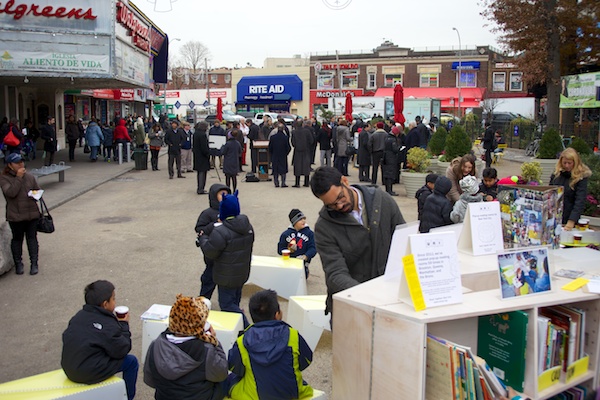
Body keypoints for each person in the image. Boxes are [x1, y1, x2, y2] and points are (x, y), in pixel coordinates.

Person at [310, 166, 406, 317]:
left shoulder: (382, 201)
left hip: (390, 300)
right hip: (351, 307)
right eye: (332, 205)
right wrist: (366, 297)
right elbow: (336, 274)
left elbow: (404, 242)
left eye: (340, 198)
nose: (339, 206)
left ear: (345, 181)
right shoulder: (324, 227)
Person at [225, 289, 313, 400]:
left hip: (254, 396)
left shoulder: (242, 341)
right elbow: (306, 360)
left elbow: (234, 367)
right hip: (291, 394)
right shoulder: (292, 335)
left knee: (230, 380)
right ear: (277, 314)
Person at [61, 280, 138, 400]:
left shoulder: (78, 317)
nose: (115, 302)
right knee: (131, 362)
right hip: (86, 372)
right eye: (113, 299)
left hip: (69, 368)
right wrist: (124, 325)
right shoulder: (107, 325)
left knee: (102, 348)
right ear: (105, 304)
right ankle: (128, 397)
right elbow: (123, 349)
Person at [143, 294, 228, 400]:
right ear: (199, 326)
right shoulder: (206, 350)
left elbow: (149, 380)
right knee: (225, 381)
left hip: (164, 397)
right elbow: (222, 373)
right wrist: (214, 341)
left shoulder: (155, 345)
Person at [197, 191, 254, 327]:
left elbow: (210, 251)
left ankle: (247, 328)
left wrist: (203, 238)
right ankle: (238, 328)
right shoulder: (247, 227)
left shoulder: (221, 231)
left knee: (228, 305)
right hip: (241, 273)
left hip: (225, 276)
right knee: (235, 301)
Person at [0, 153, 41, 275]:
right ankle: (18, 263)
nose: (20, 164)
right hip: (16, 215)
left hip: (31, 213)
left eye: (21, 162)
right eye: (17, 163)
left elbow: (37, 190)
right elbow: (11, 193)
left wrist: (36, 194)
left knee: (32, 238)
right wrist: (18, 178)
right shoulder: (4, 178)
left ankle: (34, 263)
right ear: (10, 165)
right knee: (17, 239)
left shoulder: (29, 176)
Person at [195, 183, 231, 298]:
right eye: (222, 194)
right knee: (209, 278)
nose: (225, 196)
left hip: (227, 251)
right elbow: (200, 229)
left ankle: (228, 302)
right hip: (213, 251)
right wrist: (215, 224)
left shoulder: (230, 210)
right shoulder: (207, 213)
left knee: (226, 281)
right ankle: (203, 300)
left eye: (227, 194)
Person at [549, 147, 592, 230]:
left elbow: (580, 200)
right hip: (554, 216)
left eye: (569, 163)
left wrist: (571, 221)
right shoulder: (556, 175)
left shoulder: (581, 177)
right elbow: (550, 194)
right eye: (564, 163)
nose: (567, 166)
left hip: (570, 218)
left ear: (575, 163)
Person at [278, 209, 317, 278]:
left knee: (301, 278)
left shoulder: (310, 233)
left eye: (304, 218)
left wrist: (306, 256)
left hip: (303, 262)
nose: (303, 221)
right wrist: (288, 250)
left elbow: (313, 248)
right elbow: (280, 249)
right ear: (294, 222)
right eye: (300, 219)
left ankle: (306, 270)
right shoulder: (286, 234)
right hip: (289, 261)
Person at [291, 120, 314, 187]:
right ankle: (306, 182)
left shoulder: (294, 132)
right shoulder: (307, 131)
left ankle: (297, 183)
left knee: (297, 166)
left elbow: (293, 142)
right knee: (306, 166)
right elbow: (311, 140)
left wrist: (296, 146)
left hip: (297, 150)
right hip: (306, 150)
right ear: (302, 124)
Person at [269, 122, 291, 188]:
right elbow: (288, 147)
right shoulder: (285, 138)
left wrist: (272, 153)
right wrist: (286, 153)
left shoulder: (273, 137)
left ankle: (276, 183)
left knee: (275, 169)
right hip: (283, 155)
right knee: (283, 169)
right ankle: (283, 183)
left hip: (275, 155)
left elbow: (270, 147)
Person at [382, 125, 403, 196]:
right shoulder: (393, 140)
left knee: (387, 173)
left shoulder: (386, 138)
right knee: (390, 174)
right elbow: (395, 149)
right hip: (391, 158)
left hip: (385, 157)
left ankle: (387, 189)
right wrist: (400, 147)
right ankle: (390, 190)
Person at [193, 121, 211, 194]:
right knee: (202, 173)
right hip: (202, 156)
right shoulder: (202, 135)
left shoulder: (196, 133)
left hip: (197, 155)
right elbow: (204, 147)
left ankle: (200, 187)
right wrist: (208, 153)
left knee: (199, 172)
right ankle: (201, 188)